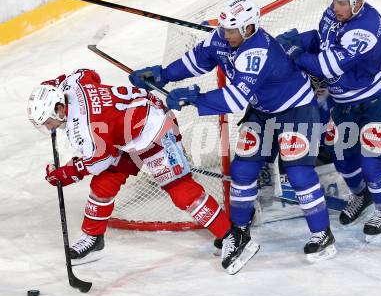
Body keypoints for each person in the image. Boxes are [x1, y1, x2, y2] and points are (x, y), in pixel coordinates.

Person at [129, 0, 337, 272]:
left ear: (249, 28)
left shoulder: (257, 51)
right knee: (242, 171)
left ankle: (323, 235)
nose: (225, 35)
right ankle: (238, 231)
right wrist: (163, 74)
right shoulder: (223, 38)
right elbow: (198, 59)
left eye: (231, 30)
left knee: (299, 174)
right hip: (263, 112)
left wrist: (194, 98)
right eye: (224, 29)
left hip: (296, 110)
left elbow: (236, 99)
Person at [27, 69, 232, 263]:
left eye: (48, 122)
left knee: (181, 191)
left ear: (59, 109)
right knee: (104, 184)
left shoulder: (83, 130)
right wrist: (52, 86)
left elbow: (98, 162)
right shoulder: (71, 85)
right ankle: (93, 237)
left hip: (156, 130)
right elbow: (89, 74)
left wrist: (65, 174)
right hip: (130, 129)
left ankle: (231, 235)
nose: (49, 127)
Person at [276, 0, 381, 241]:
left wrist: (296, 54)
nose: (336, 7)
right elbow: (323, 41)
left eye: (343, 3)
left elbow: (326, 66)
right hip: (345, 100)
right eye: (335, 1)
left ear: (359, 2)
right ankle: (362, 194)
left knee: (371, 161)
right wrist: (297, 40)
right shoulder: (335, 14)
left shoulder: (365, 30)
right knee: (342, 155)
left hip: (379, 99)